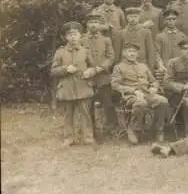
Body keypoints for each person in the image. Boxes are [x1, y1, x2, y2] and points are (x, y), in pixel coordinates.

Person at [111, 42, 169, 144]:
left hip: (147, 94)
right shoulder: (119, 67)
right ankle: (133, 129)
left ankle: (158, 130)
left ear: (137, 54)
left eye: (134, 51)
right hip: (129, 96)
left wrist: (154, 87)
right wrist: (133, 90)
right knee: (140, 103)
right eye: (129, 51)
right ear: (124, 53)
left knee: (163, 101)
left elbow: (153, 81)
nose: (132, 54)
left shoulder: (143, 66)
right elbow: (115, 85)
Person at [51, 21, 96, 146]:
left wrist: (90, 72)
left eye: (75, 34)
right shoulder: (60, 52)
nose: (73, 37)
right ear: (65, 37)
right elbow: (53, 71)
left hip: (83, 86)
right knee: (68, 115)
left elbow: (93, 67)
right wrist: (65, 69)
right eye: (69, 34)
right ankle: (69, 138)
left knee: (85, 114)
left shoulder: (86, 51)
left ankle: (88, 137)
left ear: (80, 35)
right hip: (67, 88)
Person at [81, 12, 116, 140]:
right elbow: (79, 58)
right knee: (88, 105)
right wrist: (88, 70)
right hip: (88, 78)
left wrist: (100, 68)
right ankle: (91, 130)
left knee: (107, 103)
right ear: (87, 25)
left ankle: (110, 129)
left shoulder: (106, 40)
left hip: (103, 77)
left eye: (96, 22)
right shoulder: (82, 39)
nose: (93, 25)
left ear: (100, 25)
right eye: (90, 23)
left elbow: (111, 57)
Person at [118, 7, 156, 71]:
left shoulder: (146, 32)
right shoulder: (122, 32)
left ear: (139, 18)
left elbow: (150, 51)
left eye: (135, 17)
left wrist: (150, 68)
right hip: (126, 65)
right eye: (130, 17)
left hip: (142, 64)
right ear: (127, 18)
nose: (133, 19)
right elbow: (120, 51)